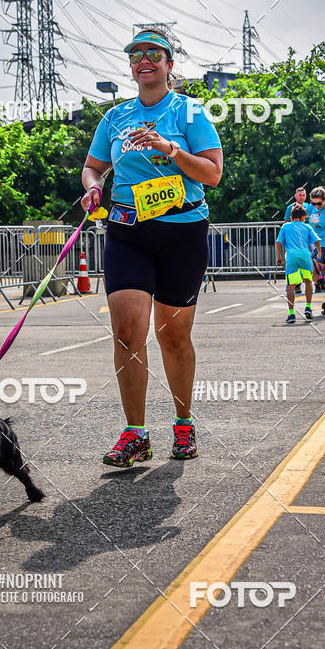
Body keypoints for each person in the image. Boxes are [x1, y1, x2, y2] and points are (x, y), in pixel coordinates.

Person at [80, 29, 223, 466]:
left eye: (154, 54)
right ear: (131, 66)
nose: (144, 61)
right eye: (136, 55)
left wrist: (170, 149)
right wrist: (92, 189)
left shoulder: (190, 111)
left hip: (182, 233)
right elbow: (92, 167)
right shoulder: (115, 118)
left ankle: (183, 422)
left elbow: (213, 174)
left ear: (169, 64)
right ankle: (135, 433)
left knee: (173, 336)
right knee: (127, 332)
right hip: (128, 232)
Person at [276, 204, 321, 323]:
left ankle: (291, 314)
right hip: (305, 256)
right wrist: (319, 253)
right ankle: (308, 307)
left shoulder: (285, 227)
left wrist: (279, 256)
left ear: (291, 217)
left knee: (291, 284)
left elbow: (278, 242)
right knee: (308, 281)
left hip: (291, 256)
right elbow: (316, 241)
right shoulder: (307, 227)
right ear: (302, 218)